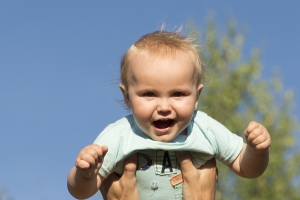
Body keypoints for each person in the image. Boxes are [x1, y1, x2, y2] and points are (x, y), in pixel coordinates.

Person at [67, 29, 271, 199]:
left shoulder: (203, 127)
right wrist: (85, 174)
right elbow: (81, 192)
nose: (164, 107)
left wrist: (256, 152)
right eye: (149, 94)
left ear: (196, 96)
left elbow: (247, 168)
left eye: (178, 94)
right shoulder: (121, 134)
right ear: (128, 97)